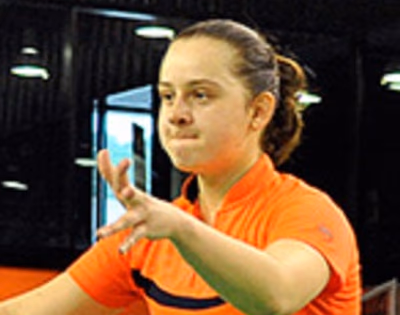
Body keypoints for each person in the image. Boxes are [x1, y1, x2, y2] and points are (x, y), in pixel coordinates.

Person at [0, 19, 361, 315]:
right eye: (168, 96)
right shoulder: (152, 231)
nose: (176, 115)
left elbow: (275, 296)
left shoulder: (306, 211)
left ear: (258, 111)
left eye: (200, 95)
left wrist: (181, 230)